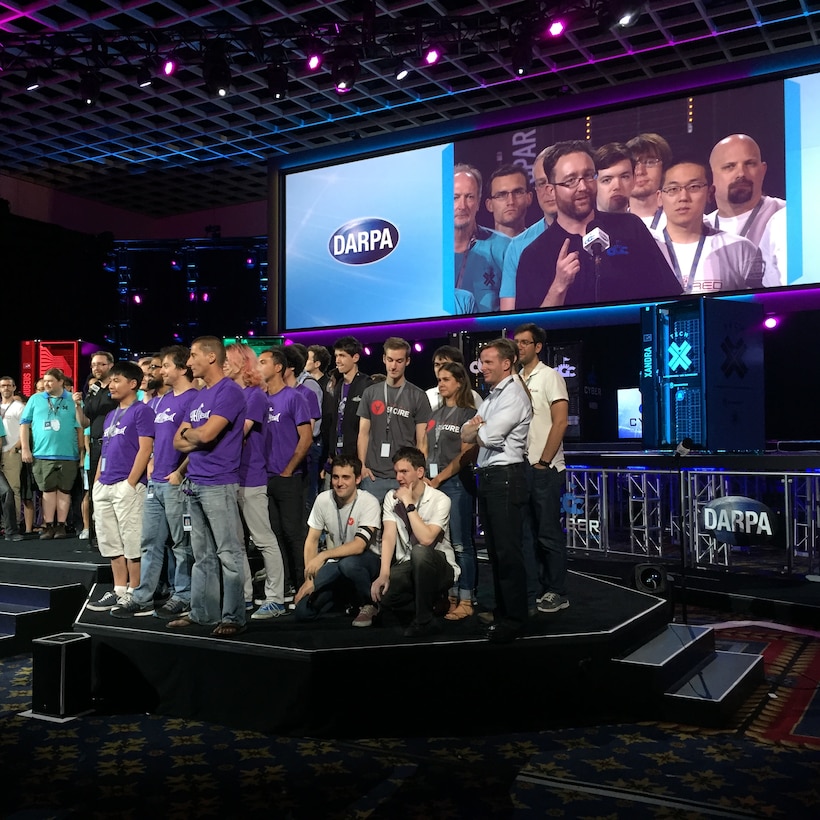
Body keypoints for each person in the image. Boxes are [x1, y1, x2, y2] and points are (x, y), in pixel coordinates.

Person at [515, 140, 681, 309]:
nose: (583, 187)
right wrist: (559, 286)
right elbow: (528, 332)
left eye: (588, 176)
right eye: (571, 180)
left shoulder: (631, 227)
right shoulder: (535, 254)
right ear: (551, 190)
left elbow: (669, 296)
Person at [168, 336, 248, 638]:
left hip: (219, 482)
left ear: (211, 357)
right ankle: (203, 613)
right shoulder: (200, 396)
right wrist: (193, 433)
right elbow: (179, 440)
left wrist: (192, 433)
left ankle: (234, 616)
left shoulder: (230, 392)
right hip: (195, 482)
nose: (189, 362)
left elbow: (207, 435)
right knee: (202, 555)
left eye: (192, 356)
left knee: (229, 554)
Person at [110, 346, 198, 620]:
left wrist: (180, 472)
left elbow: (196, 442)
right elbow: (153, 440)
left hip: (176, 483)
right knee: (150, 541)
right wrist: (151, 466)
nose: (160, 371)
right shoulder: (161, 401)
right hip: (156, 482)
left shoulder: (194, 398)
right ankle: (143, 595)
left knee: (182, 544)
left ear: (182, 369)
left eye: (165, 366)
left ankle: (183, 594)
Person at [461, 338, 531, 643]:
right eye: (482, 361)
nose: (482, 367)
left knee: (507, 552)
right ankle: (504, 614)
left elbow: (488, 435)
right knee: (496, 552)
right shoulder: (493, 396)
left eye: (489, 362)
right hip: (491, 477)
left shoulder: (513, 394)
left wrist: (477, 429)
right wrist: (475, 429)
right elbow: (466, 431)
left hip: (506, 476)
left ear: (507, 363)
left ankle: (515, 619)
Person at [223, 343, 288, 620]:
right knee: (236, 544)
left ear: (242, 362)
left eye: (228, 359)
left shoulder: (255, 396)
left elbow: (238, 434)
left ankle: (275, 598)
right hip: (228, 478)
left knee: (262, 540)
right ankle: (245, 596)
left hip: (251, 477)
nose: (223, 364)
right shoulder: (230, 394)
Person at [86, 361, 154, 611]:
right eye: (110, 381)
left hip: (128, 485)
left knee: (132, 541)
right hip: (105, 484)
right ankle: (118, 589)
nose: (110, 386)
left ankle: (135, 592)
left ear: (133, 384)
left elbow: (146, 448)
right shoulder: (111, 415)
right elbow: (105, 450)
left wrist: (131, 483)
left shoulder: (142, 411)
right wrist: (96, 483)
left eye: (116, 381)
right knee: (111, 542)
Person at [513, 323, 570, 615]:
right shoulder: (514, 379)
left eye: (524, 342)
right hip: (520, 469)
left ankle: (557, 591)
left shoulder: (550, 377)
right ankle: (533, 588)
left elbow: (560, 422)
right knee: (526, 534)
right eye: (517, 342)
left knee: (548, 534)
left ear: (537, 346)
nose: (519, 346)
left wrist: (544, 462)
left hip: (544, 469)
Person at [371, 446, 457, 638]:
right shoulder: (391, 498)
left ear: (419, 472)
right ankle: (430, 601)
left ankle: (424, 620)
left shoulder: (440, 500)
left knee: (420, 552)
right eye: (396, 472)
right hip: (408, 565)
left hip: (438, 566)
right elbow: (389, 536)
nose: (399, 478)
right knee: (384, 596)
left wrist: (409, 505)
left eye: (404, 472)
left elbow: (426, 539)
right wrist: (384, 573)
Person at [294, 455, 382, 626]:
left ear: (357, 479)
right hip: (337, 564)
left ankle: (370, 604)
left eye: (345, 477)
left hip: (367, 562)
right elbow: (312, 540)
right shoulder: (323, 500)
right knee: (302, 612)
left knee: (349, 564)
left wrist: (323, 556)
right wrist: (310, 579)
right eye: (335, 477)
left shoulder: (368, 502)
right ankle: (346, 599)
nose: (339, 483)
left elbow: (359, 546)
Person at [652, 160, 764, 293]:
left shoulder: (740, 248)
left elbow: (758, 303)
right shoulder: (648, 248)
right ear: (659, 197)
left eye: (694, 187)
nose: (683, 197)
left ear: (710, 193)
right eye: (673, 189)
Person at [258, 346, 313, 597]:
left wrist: (289, 469)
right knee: (274, 534)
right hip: (264, 477)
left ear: (278, 367)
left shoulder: (294, 398)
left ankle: (303, 584)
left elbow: (306, 437)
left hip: (289, 477)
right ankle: (284, 584)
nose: (258, 367)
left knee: (294, 533)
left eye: (263, 362)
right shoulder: (260, 399)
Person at [425, 362, 478, 620]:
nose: (441, 383)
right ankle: (451, 594)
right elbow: (425, 448)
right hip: (433, 484)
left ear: (459, 381)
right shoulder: (435, 415)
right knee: (442, 544)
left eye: (446, 379)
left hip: (456, 485)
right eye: (439, 379)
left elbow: (466, 454)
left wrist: (439, 478)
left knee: (461, 543)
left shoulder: (468, 414)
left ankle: (467, 598)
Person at [357, 337, 431, 504]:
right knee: (371, 527)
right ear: (384, 359)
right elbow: (363, 433)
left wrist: (420, 473)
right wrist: (362, 466)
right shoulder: (370, 393)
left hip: (404, 478)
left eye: (399, 361)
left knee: (403, 527)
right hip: (373, 477)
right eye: (390, 360)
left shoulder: (418, 396)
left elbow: (422, 440)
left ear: (407, 361)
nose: (393, 366)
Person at [705, 133, 786, 285]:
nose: (741, 173)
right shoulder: (702, 226)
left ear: (763, 170)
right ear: (711, 176)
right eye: (729, 166)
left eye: (750, 164)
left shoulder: (786, 216)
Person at [20, 368, 82, 540]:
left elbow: (80, 427)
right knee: (47, 490)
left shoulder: (72, 399)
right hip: (42, 453)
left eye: (50, 381)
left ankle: (61, 526)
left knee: (64, 490)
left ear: (61, 382)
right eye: (45, 381)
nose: (46, 384)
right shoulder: (35, 399)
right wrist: (25, 448)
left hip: (68, 453)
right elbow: (24, 424)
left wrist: (82, 452)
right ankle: (48, 526)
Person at [499, 145, 558, 311]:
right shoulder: (518, 246)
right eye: (541, 183)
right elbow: (510, 316)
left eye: (553, 181)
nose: (549, 190)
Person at [453, 163, 510, 313]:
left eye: (469, 197)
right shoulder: (430, 253)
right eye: (455, 197)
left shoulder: (504, 247)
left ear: (478, 202)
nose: (462, 205)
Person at [330, 336, 371, 464]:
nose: (337, 360)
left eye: (342, 355)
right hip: (336, 456)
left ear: (355, 358)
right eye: (336, 356)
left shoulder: (367, 385)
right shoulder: (338, 385)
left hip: (356, 457)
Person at [626, 133, 672, 230]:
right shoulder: (613, 226)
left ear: (665, 168)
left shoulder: (684, 222)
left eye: (650, 162)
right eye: (633, 164)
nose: (640, 171)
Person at [1, 376, 25, 541]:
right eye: (3, 385)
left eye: (9, 385)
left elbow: (25, 429)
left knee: (12, 490)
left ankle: (13, 525)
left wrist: (16, 447)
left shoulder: (19, 406)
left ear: (14, 387)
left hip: (10, 452)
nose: (6, 388)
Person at [424, 345, 483, 411]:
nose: (440, 368)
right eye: (437, 365)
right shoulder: (427, 395)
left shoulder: (473, 396)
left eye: (445, 364)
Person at [484, 163, 533, 237]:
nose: (511, 201)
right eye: (501, 195)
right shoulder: (476, 248)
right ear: (489, 205)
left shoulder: (542, 244)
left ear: (529, 198)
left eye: (518, 192)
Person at [594, 143, 635, 214]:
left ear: (634, 179)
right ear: (594, 185)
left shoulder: (637, 224)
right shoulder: (584, 224)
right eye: (607, 180)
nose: (617, 186)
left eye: (624, 177)